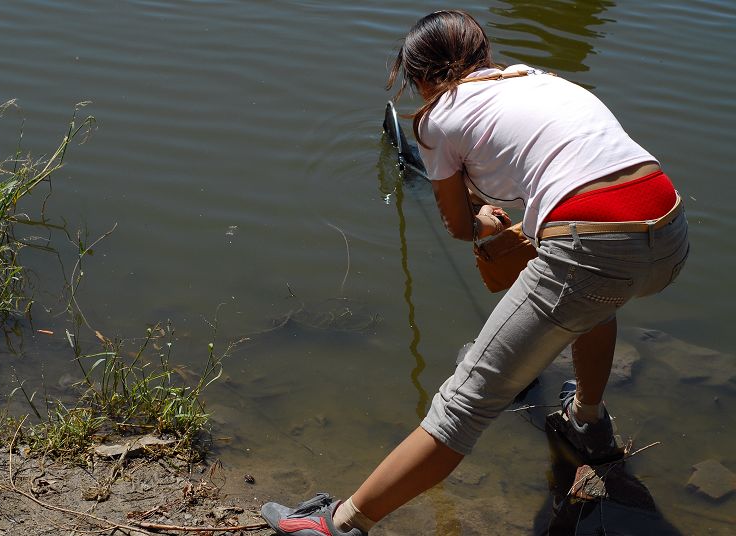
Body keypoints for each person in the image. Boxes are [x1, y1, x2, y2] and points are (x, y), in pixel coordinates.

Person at [261, 10, 690, 536]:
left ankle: (337, 525)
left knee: (462, 404)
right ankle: (588, 419)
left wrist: (483, 218)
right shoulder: (538, 78)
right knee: (592, 304)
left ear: (419, 78)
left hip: (592, 244)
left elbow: (461, 226)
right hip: (668, 228)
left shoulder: (437, 118)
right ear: (482, 55)